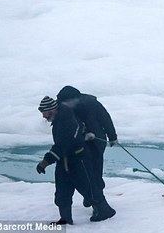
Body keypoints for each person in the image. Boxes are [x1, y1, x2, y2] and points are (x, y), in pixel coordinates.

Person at [36, 96, 116, 225]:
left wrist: (45, 162)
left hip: (78, 160)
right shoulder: (59, 118)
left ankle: (104, 211)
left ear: (51, 110)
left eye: (43, 113)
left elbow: (62, 145)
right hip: (64, 161)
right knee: (62, 192)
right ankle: (65, 219)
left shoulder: (67, 119)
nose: (43, 117)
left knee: (89, 188)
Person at [57, 86, 118, 203]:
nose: (65, 105)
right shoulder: (63, 107)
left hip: (97, 141)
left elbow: (105, 118)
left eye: (67, 102)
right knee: (85, 172)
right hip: (79, 144)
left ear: (75, 99)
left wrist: (112, 137)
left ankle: (98, 200)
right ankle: (90, 195)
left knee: (95, 170)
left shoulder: (91, 104)